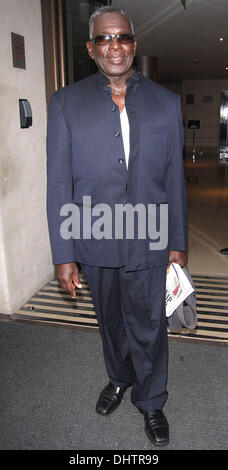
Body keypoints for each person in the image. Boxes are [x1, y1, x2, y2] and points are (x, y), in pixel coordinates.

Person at [46, 6, 187, 447]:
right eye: (104, 39)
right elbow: (58, 182)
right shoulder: (66, 102)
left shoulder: (166, 103)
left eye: (122, 37)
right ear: (91, 49)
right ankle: (119, 378)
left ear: (133, 45)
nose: (114, 46)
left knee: (148, 322)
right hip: (94, 235)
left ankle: (151, 400)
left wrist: (177, 244)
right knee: (109, 320)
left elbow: (174, 181)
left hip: (150, 236)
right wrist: (64, 254)